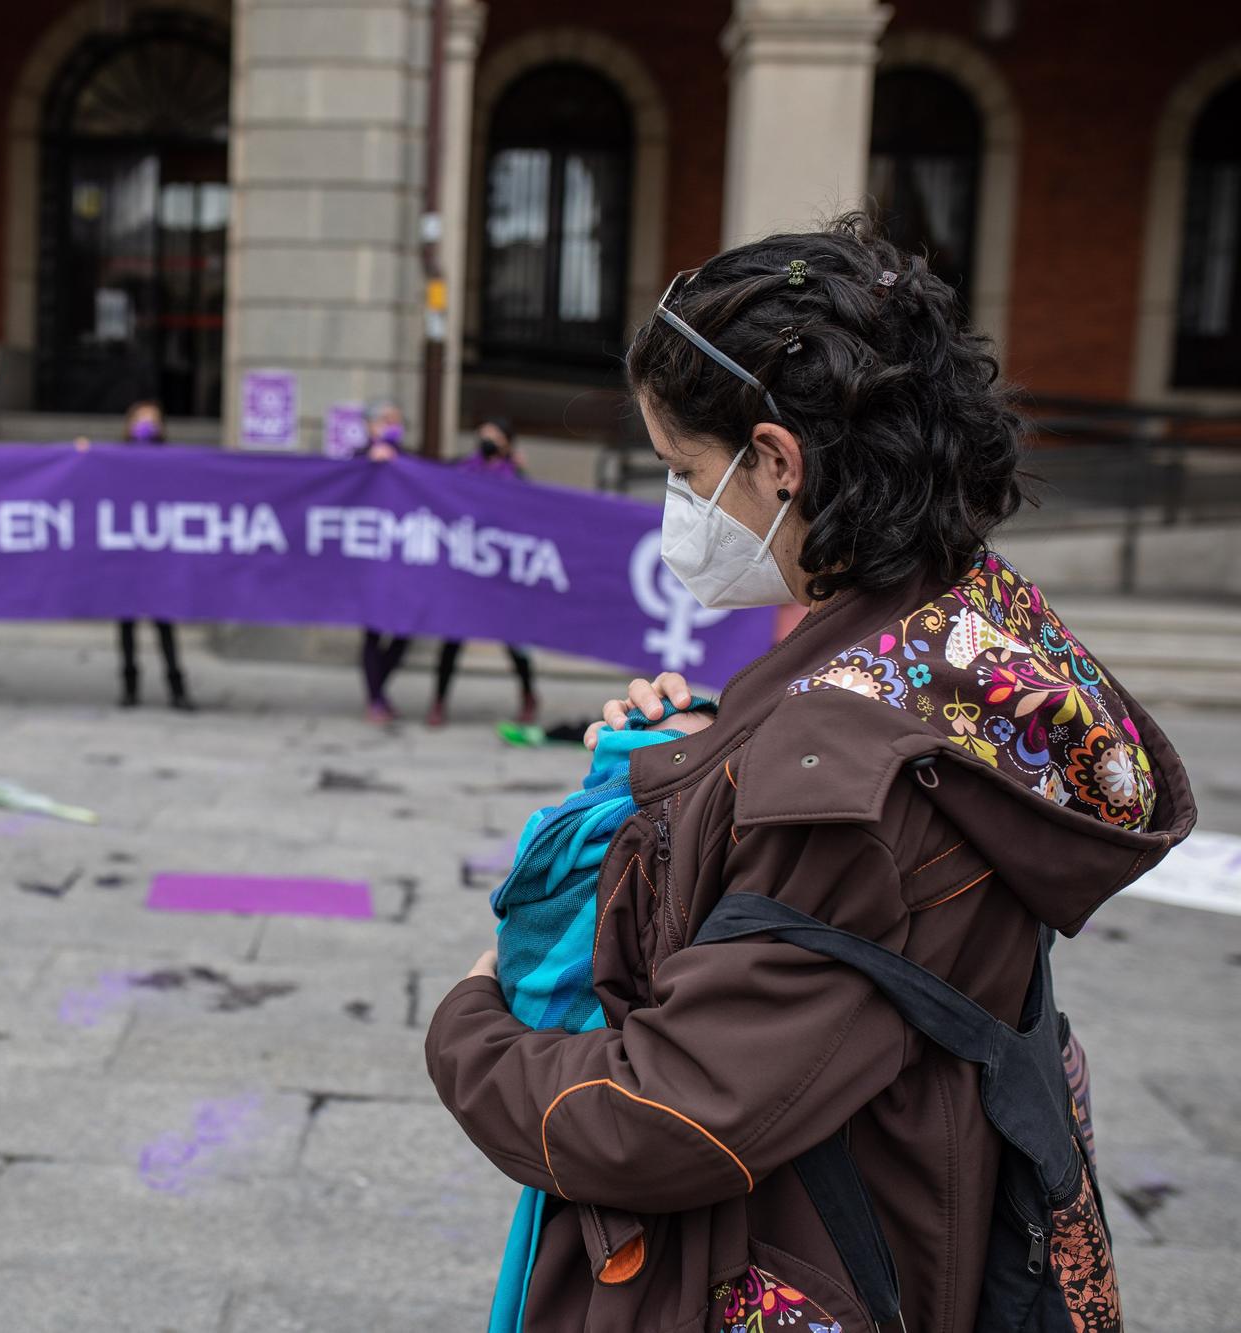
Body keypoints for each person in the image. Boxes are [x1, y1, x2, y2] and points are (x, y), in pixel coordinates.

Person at [426, 215, 1194, 1332]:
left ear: (776, 460)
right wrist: (701, 752)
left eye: (686, 473)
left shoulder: (839, 772)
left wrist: (470, 1020)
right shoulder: (967, 622)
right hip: (914, 1217)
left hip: (807, 1263)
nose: (679, 512)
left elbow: (668, 1114)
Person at [428, 419, 539, 728]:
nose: (487, 440)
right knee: (452, 639)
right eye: (483, 434)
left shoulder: (515, 477)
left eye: (495, 436)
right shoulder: (463, 469)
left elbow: (530, 514)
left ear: (507, 442)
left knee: (514, 640)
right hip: (468, 572)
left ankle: (529, 695)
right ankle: (438, 702)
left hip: (500, 574)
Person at [113, 400, 193, 710]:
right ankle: (130, 686)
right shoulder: (115, 460)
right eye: (140, 419)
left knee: (164, 625)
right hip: (127, 558)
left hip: (159, 561)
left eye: (152, 420)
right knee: (127, 627)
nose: (146, 425)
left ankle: (177, 687)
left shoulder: (171, 460)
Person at [357, 398, 412, 724]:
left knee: (404, 631)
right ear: (371, 424)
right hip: (370, 561)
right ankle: (375, 698)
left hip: (402, 559)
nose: (393, 426)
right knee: (373, 631)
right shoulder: (358, 458)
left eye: (397, 420)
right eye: (387, 420)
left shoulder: (405, 459)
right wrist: (369, 460)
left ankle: (379, 692)